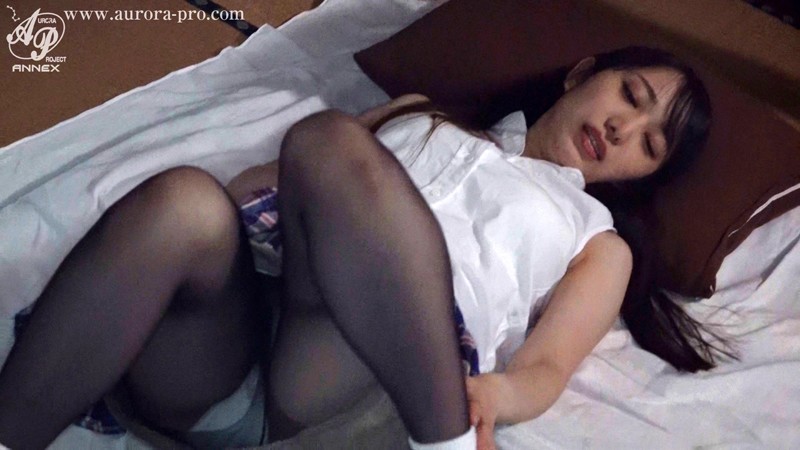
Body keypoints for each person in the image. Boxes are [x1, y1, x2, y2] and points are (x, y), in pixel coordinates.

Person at [0, 46, 729, 450]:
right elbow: (268, 189)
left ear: (642, 176)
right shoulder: (423, 115)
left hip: (352, 385)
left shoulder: (596, 239)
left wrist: (493, 396)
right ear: (583, 72)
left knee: (328, 141)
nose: (624, 130)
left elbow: (546, 368)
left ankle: (442, 441)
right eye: (630, 96)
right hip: (232, 356)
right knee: (183, 202)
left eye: (649, 146)